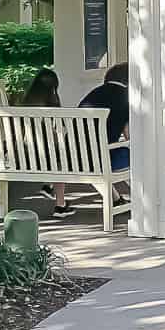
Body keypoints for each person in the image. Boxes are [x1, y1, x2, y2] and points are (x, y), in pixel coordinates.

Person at [51, 63, 128, 219]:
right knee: (132, 152)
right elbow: (128, 136)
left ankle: (60, 205)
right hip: (101, 158)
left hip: (70, 156)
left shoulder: (93, 95)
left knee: (87, 155)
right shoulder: (125, 99)